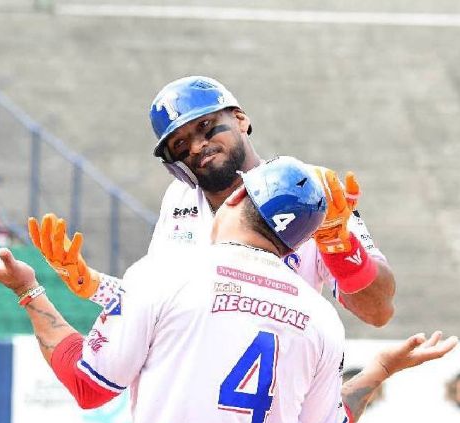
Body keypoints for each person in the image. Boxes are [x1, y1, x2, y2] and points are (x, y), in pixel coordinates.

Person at [0, 157, 457, 423]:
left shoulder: (164, 271)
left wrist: (29, 290)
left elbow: (90, 386)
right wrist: (381, 369)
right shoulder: (321, 316)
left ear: (235, 197)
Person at [32, 76, 395, 329]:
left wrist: (338, 243)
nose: (196, 146)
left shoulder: (308, 186)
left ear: (240, 119)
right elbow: (154, 301)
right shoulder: (178, 199)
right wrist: (91, 282)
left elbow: (377, 311)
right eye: (179, 144)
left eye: (206, 126)